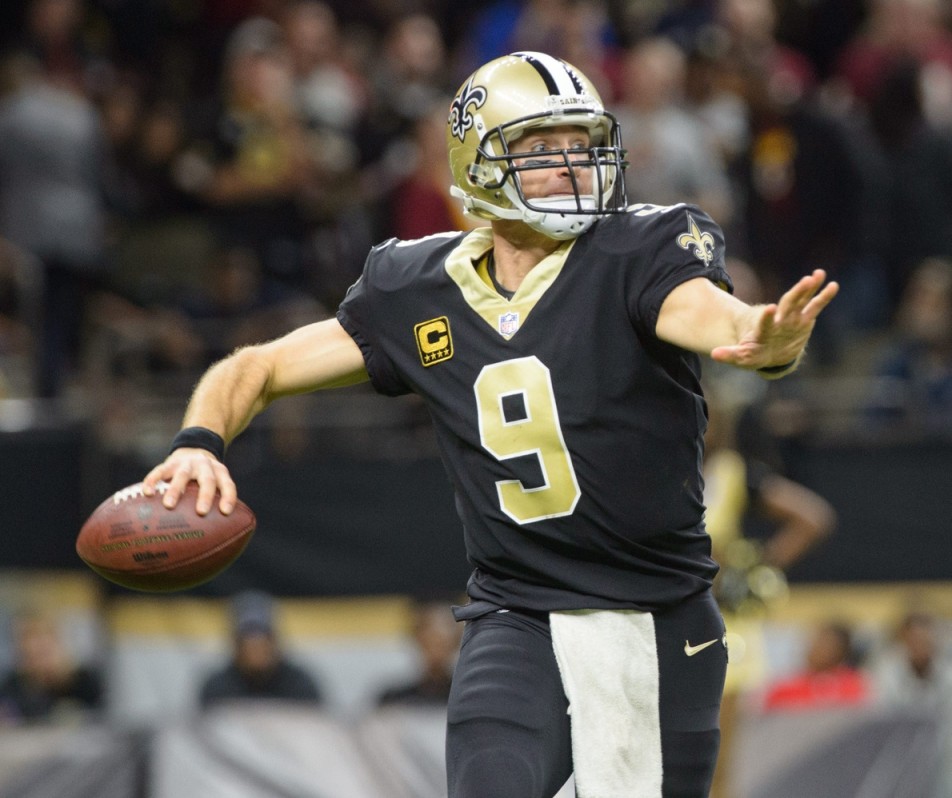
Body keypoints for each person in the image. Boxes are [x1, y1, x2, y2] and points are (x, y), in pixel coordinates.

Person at [142, 51, 838, 798]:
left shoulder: (639, 249)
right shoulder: (414, 288)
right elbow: (258, 366)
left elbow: (705, 312)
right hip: (519, 613)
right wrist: (199, 442)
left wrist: (762, 338)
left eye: (581, 143)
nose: (572, 166)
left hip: (662, 617)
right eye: (542, 149)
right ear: (479, 164)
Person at [198, 590, 322, 709]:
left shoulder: (300, 686)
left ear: (275, 640)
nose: (255, 645)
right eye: (247, 636)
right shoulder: (217, 688)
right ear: (235, 643)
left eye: (263, 636)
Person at [0, 610, 103, 725]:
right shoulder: (12, 686)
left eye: (42, 651)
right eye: (25, 637)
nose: (33, 645)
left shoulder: (84, 681)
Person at [377, 601, 462, 707]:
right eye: (430, 642)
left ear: (456, 642)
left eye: (441, 643)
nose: (436, 649)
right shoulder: (395, 698)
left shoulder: (469, 697)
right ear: (418, 640)